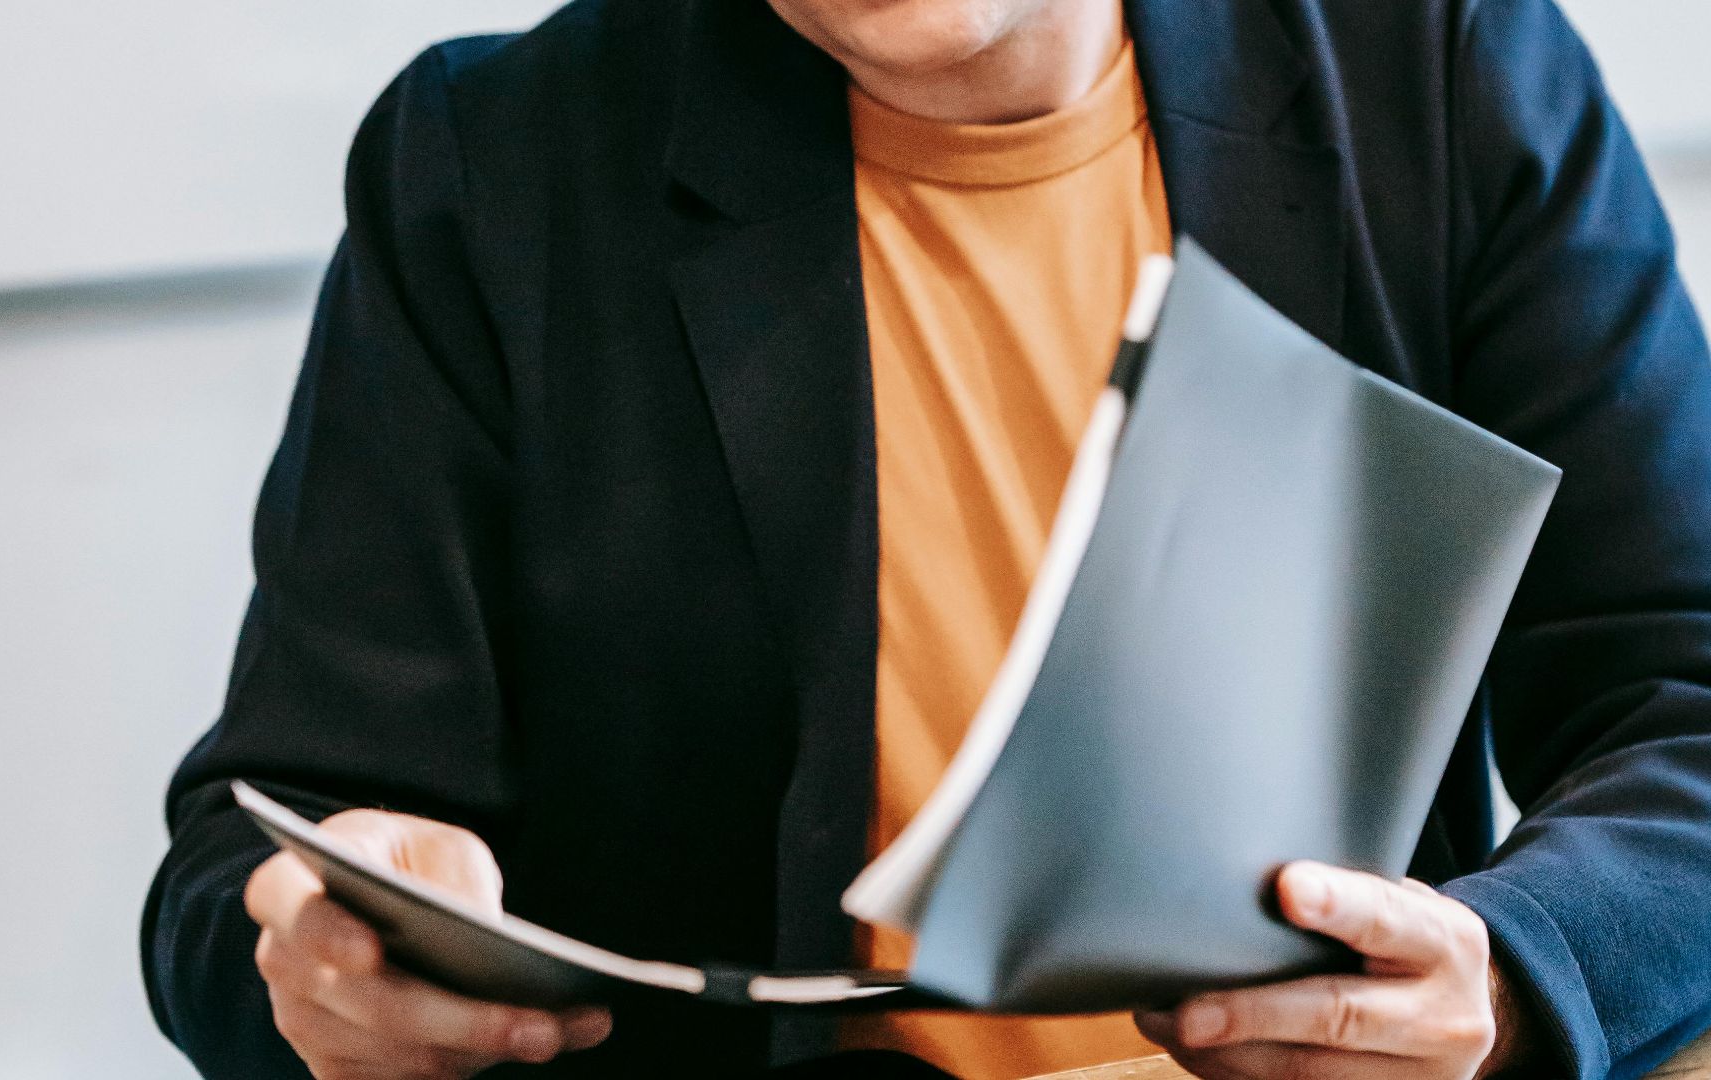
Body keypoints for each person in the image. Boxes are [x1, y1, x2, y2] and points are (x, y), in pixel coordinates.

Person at [140, 0, 1711, 1076]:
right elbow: (245, 858)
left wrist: (1508, 976)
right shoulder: (495, 162)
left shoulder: (1437, 67)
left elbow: (1686, 697)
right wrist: (315, 959)